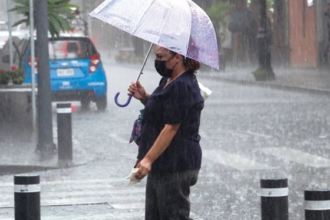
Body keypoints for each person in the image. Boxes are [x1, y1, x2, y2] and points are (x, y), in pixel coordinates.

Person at [127, 44, 204, 219]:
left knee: (173, 216)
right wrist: (144, 97)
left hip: (176, 165)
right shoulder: (168, 80)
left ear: (177, 57)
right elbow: (162, 111)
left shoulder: (183, 86)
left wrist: (147, 159)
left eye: (161, 57)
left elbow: (171, 128)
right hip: (162, 164)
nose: (157, 61)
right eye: (156, 56)